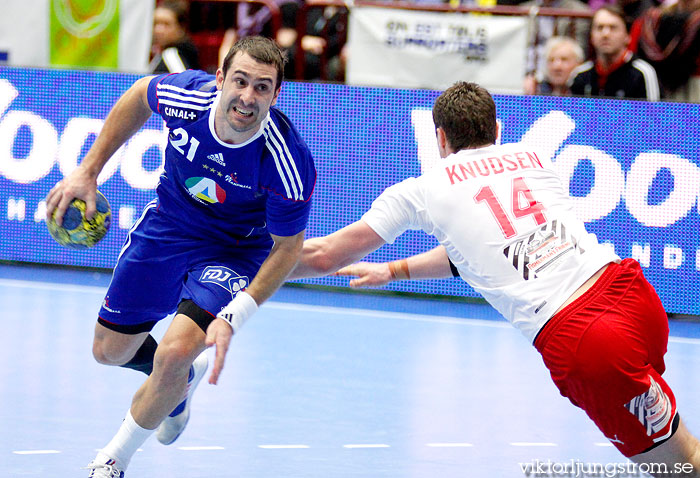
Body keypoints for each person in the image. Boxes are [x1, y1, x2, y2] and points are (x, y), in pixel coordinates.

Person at [289, 81, 700, 476]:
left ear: (441, 139)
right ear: (498, 129)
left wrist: (243, 260)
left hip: (586, 339)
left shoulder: (422, 190)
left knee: (680, 466)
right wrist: (394, 270)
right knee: (686, 447)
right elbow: (478, 251)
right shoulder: (534, 158)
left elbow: (323, 257)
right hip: (632, 295)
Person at [45, 36, 316, 478]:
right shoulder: (186, 97)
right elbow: (139, 95)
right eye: (241, 81)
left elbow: (287, 248)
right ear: (221, 78)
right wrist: (87, 170)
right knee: (109, 351)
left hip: (234, 251)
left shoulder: (286, 160)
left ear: (276, 94)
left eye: (262, 87)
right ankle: (182, 384)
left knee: (174, 353)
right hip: (168, 227)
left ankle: (111, 461)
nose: (248, 98)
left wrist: (237, 315)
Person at [570, 5, 661, 100]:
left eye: (613, 28)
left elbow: (653, 113)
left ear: (627, 36)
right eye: (599, 28)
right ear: (591, 36)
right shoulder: (580, 75)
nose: (605, 34)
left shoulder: (643, 74)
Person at [631, 0, 700, 102]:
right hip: (657, 83)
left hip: (694, 84)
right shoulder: (649, 19)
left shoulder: (650, 19)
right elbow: (632, 51)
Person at [149, 0, 200, 73]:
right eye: (156, 23)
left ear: (181, 28)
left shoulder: (171, 55)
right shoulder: (158, 53)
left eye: (166, 24)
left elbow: (184, 82)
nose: (158, 30)